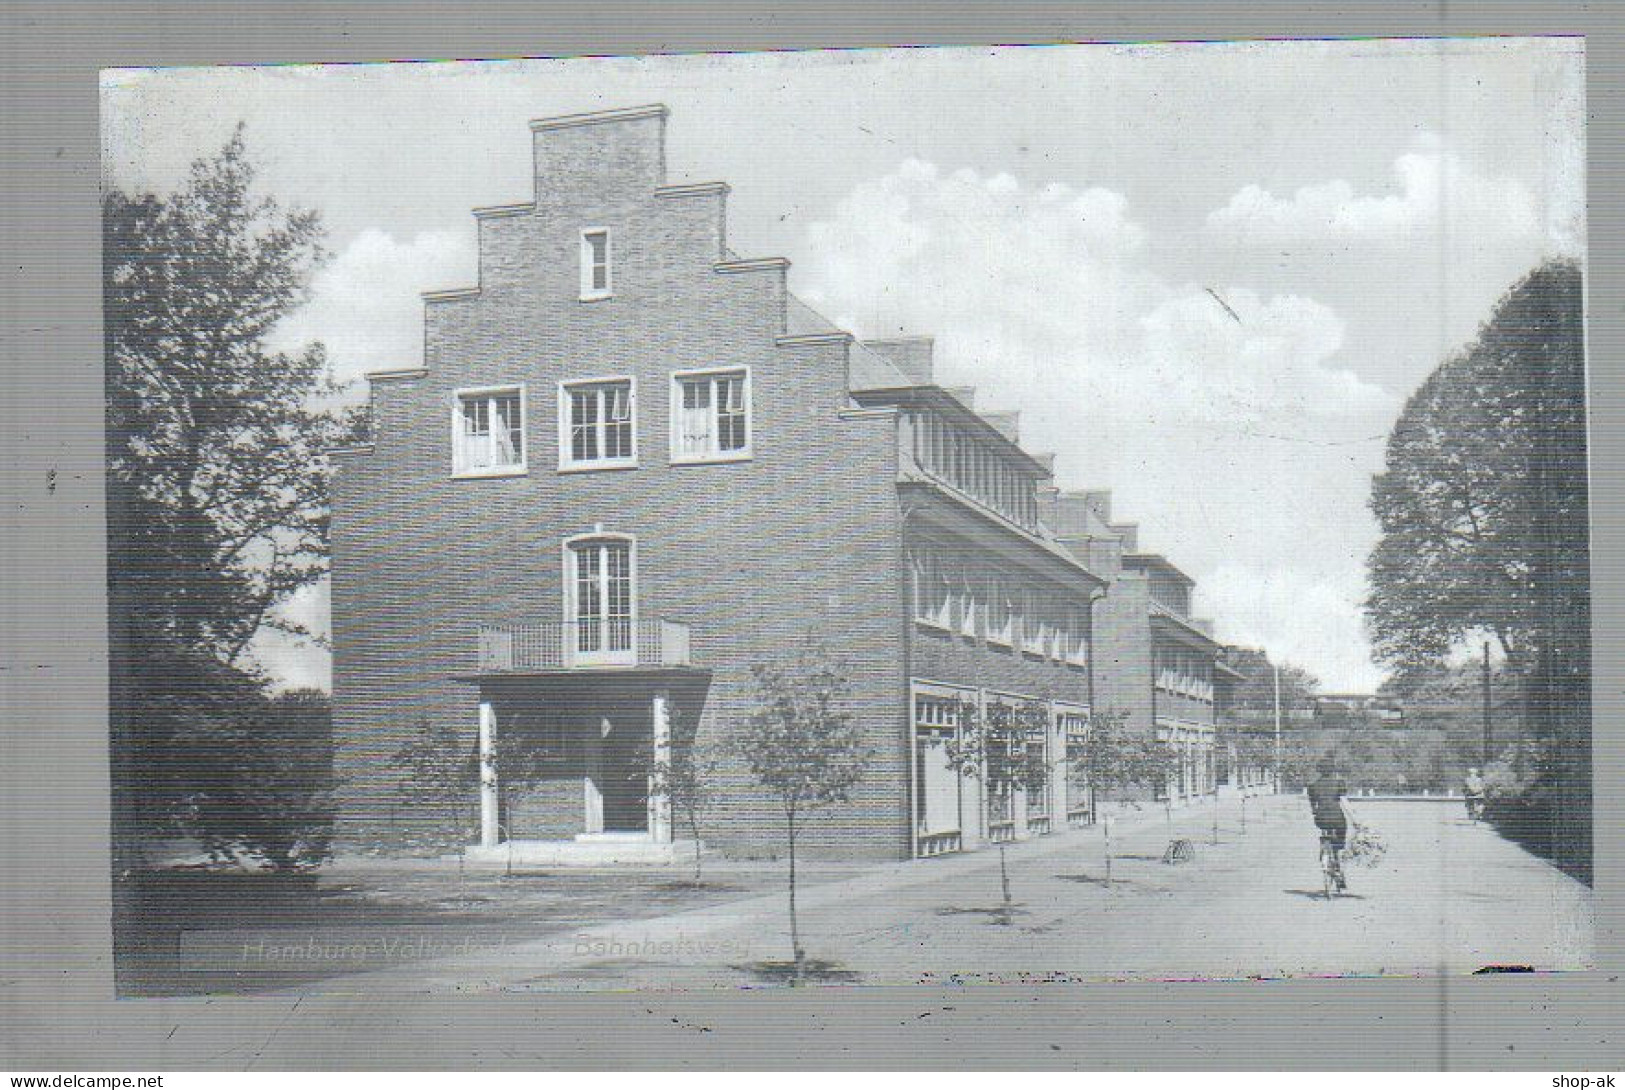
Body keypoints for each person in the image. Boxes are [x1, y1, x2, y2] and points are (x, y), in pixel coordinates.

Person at [1305, 757, 1349, 890]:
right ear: (1332, 770)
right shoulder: (1338, 783)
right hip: (1337, 818)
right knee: (1341, 835)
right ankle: (1338, 854)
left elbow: (1313, 807)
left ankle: (1324, 848)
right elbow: (1344, 802)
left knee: (1325, 830)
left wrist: (1317, 812)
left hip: (1321, 819)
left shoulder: (1313, 786)